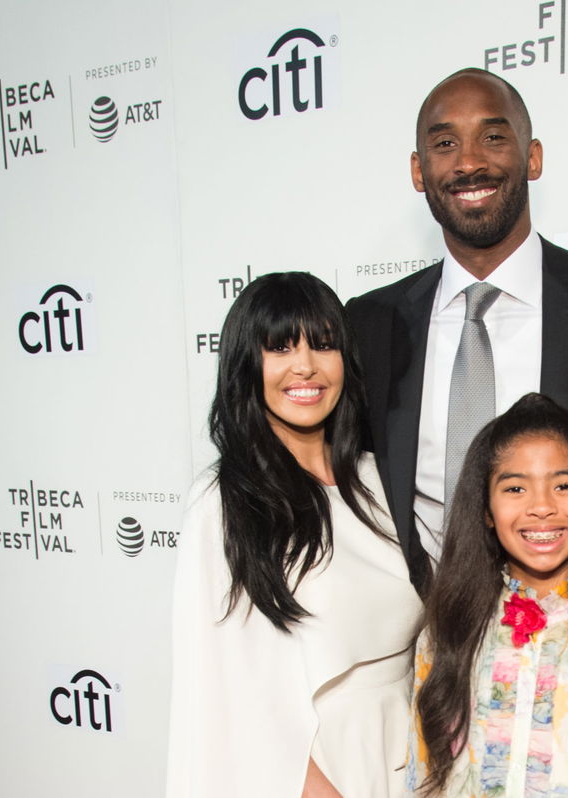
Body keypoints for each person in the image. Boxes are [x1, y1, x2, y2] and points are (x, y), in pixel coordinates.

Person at [346, 68, 568, 596]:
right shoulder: (370, 323)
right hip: (419, 640)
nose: (468, 162)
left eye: (492, 137)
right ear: (419, 171)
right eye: (445, 144)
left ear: (532, 157)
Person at [166, 273, 423, 798]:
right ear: (246, 366)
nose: (305, 365)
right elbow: (227, 692)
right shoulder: (225, 502)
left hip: (408, 752)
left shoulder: (382, 478)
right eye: (280, 347)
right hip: (309, 770)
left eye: (323, 344)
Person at [408, 393, 568, 796]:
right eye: (515, 489)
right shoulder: (448, 631)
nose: (542, 507)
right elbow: (422, 774)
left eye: (564, 485)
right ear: (486, 509)